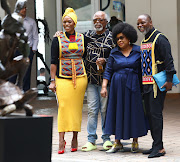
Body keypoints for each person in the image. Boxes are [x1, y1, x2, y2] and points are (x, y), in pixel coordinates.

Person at [100, 22, 148, 153]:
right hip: (117, 87)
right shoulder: (114, 52)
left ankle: (135, 141)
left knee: (134, 111)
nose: (119, 40)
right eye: (117, 38)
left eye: (122, 38)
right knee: (117, 111)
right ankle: (117, 142)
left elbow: (145, 69)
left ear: (129, 38)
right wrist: (104, 86)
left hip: (133, 85)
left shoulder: (138, 50)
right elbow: (108, 70)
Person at [137, 14, 176, 158]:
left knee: (156, 115)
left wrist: (170, 80)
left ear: (150, 22)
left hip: (157, 85)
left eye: (143, 22)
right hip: (147, 84)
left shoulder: (160, 38)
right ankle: (156, 144)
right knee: (150, 115)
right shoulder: (145, 40)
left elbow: (168, 60)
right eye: (138, 24)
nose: (140, 25)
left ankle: (159, 148)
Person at [49, 8, 87, 154]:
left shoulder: (83, 38)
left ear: (74, 23)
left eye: (69, 21)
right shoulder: (57, 39)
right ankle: (61, 139)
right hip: (62, 78)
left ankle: (75, 137)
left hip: (80, 77)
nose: (66, 24)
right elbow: (53, 61)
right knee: (63, 108)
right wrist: (52, 81)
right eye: (64, 22)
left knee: (77, 109)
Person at [81, 11, 115, 152]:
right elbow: (73, 41)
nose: (97, 22)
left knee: (105, 110)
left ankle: (106, 138)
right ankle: (91, 140)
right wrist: (59, 35)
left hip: (105, 81)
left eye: (100, 20)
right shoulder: (87, 36)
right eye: (95, 20)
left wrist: (105, 60)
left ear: (106, 22)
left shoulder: (112, 37)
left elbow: (117, 56)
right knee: (92, 110)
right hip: (91, 79)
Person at [9, 0, 39, 92]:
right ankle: (11, 93)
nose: (24, 9)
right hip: (14, 49)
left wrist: (33, 50)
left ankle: (25, 92)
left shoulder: (31, 22)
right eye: (22, 8)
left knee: (26, 72)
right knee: (12, 72)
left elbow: (35, 36)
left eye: (25, 7)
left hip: (27, 50)